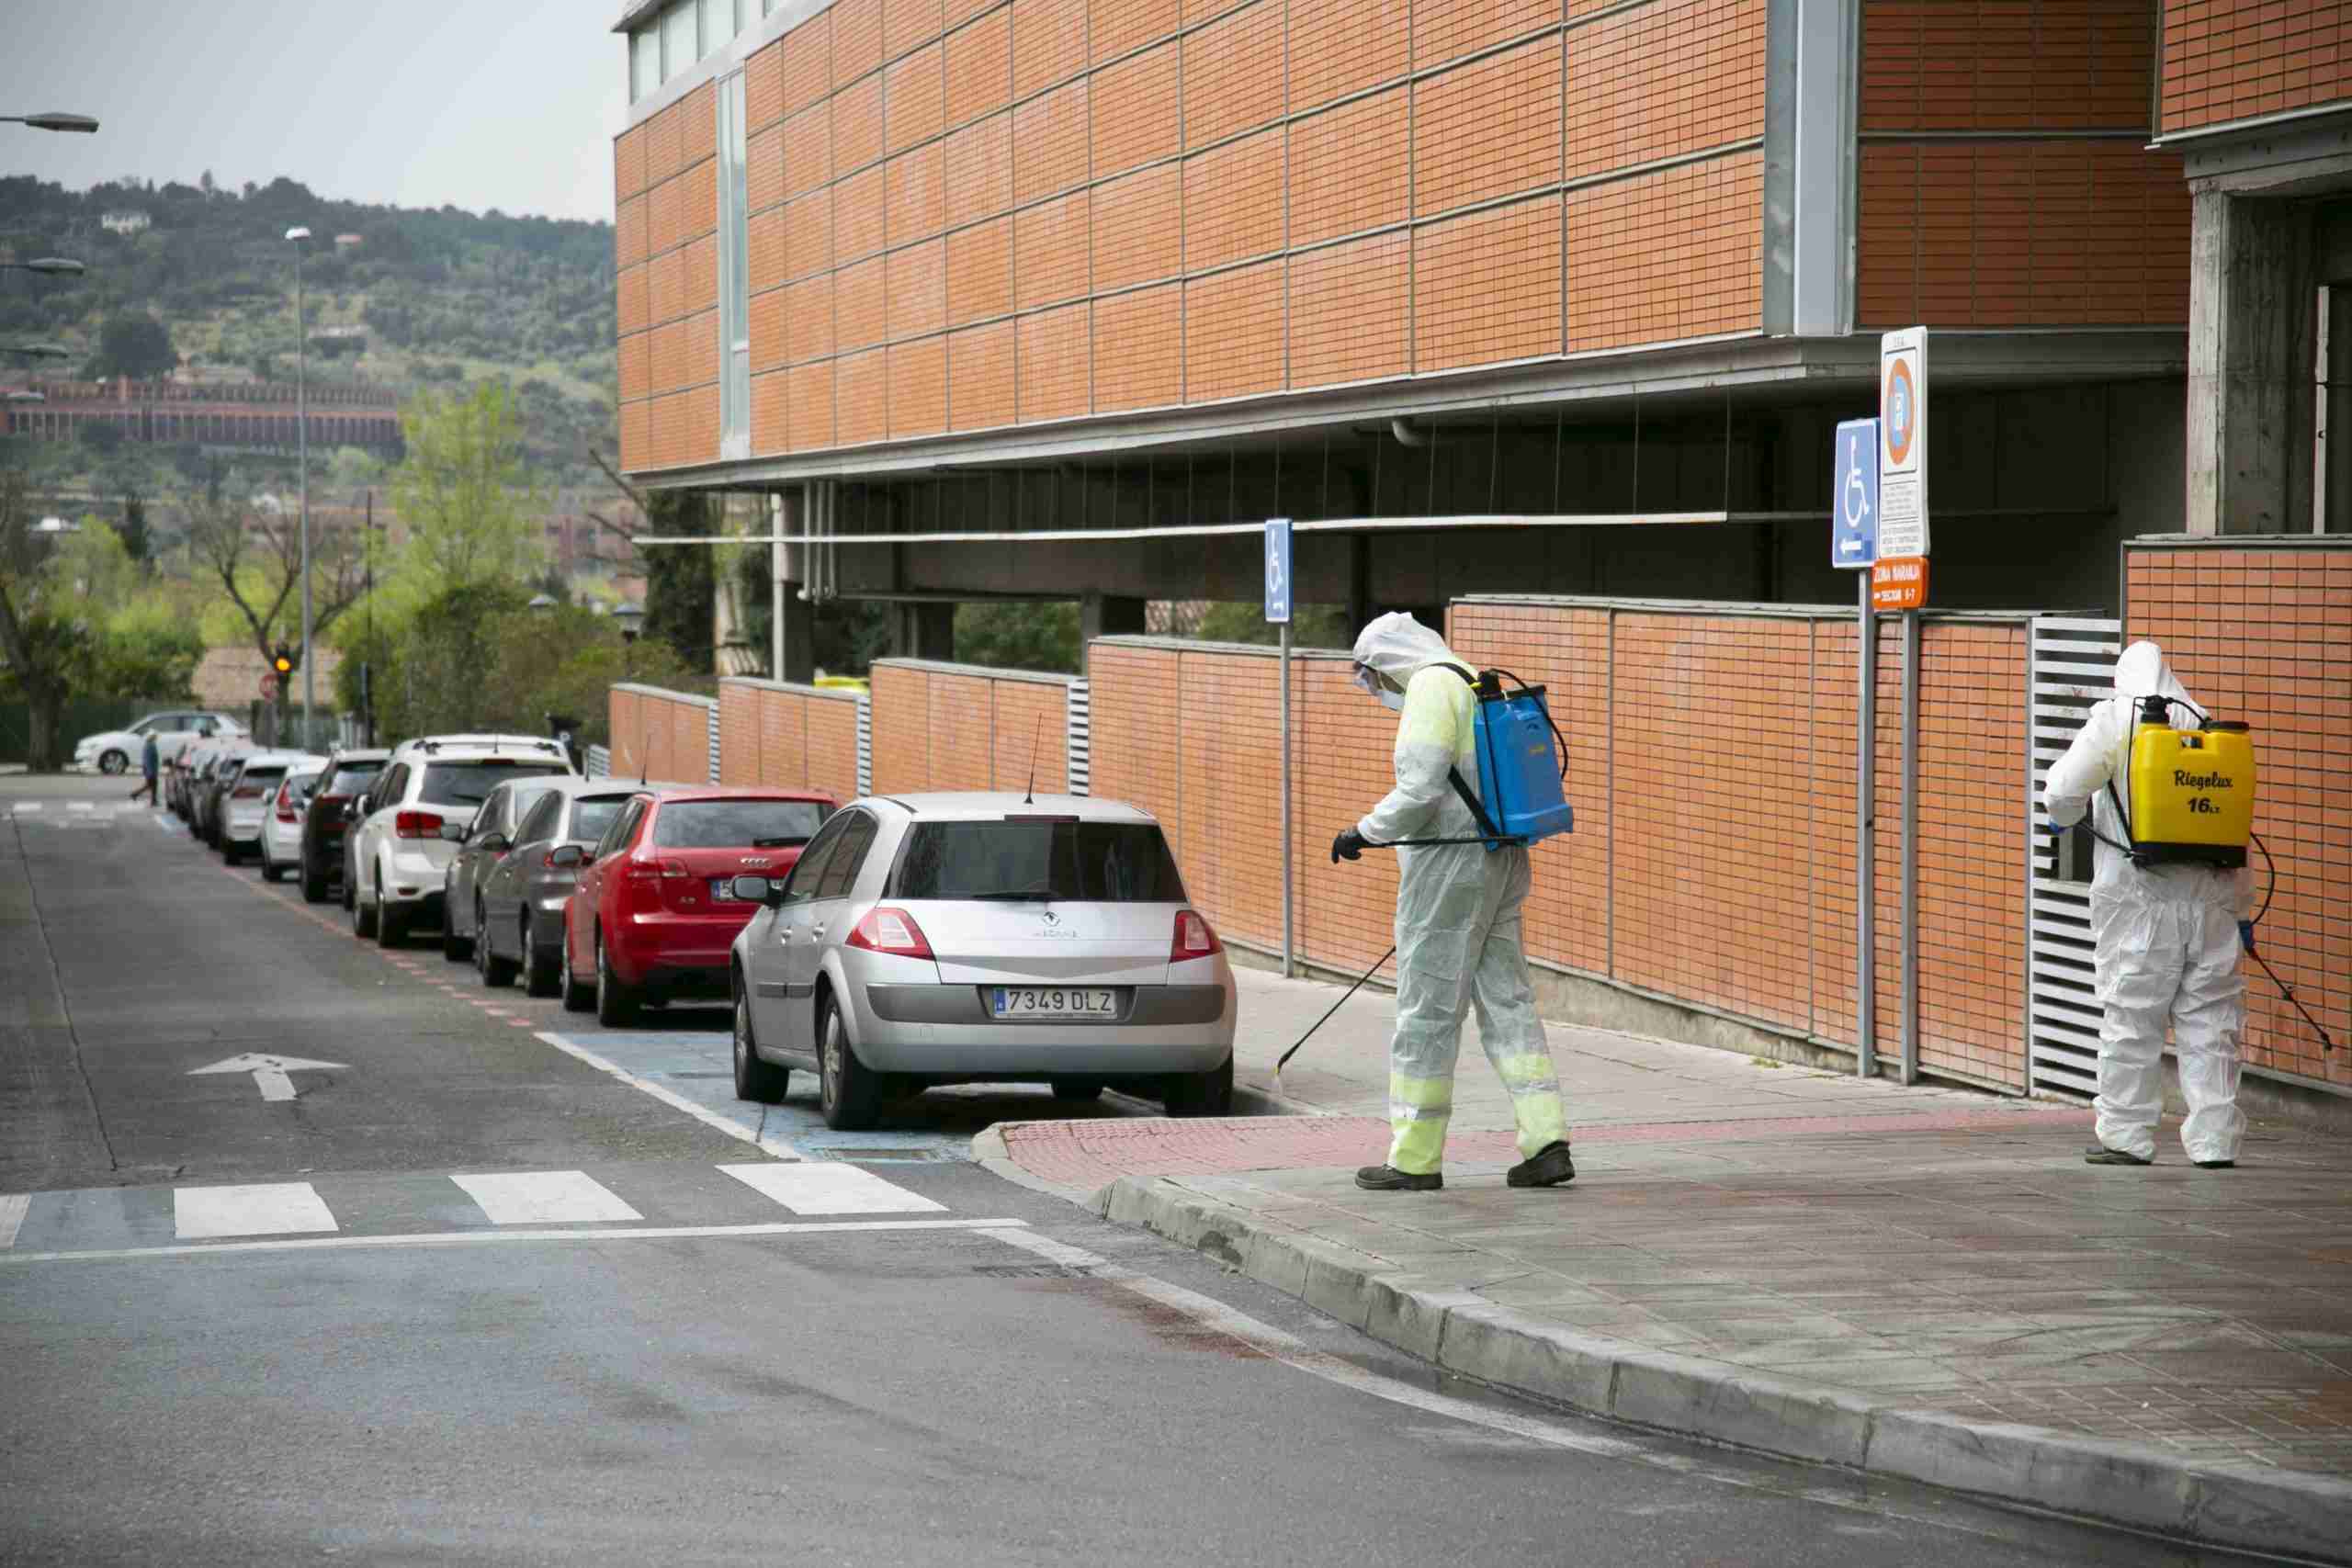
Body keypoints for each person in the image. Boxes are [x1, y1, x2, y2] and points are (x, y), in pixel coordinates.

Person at [1332, 613, 1574, 1191]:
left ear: (1388, 660)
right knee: (1508, 1002)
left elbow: (1420, 788)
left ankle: (1414, 1157)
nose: (1376, 690)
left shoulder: (1429, 687)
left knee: (1426, 1010)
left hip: (1450, 865)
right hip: (1502, 856)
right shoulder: (1467, 676)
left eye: (1373, 677)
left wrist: (1363, 831)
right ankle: (1546, 1140)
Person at [2042, 640, 2247, 1168]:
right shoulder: (2206, 726)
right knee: (2212, 1025)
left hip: (2139, 903)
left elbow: (2063, 789)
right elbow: (2231, 828)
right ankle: (2215, 1143)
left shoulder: (2115, 721)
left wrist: (2062, 818)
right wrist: (2241, 914)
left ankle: (2126, 1135)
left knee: (2133, 1019)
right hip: (2213, 905)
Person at [129, 728, 161, 806]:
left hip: (151, 769)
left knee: (153, 785)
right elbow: (148, 760)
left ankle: (153, 800)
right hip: (151, 770)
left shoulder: (150, 744)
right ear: (151, 737)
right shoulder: (150, 746)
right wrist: (150, 772)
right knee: (150, 785)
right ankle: (135, 794)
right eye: (154, 736)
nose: (156, 737)